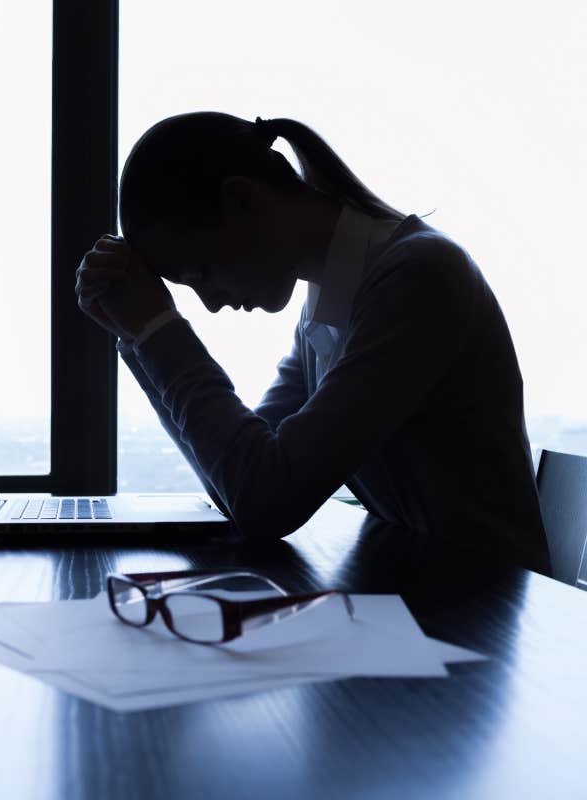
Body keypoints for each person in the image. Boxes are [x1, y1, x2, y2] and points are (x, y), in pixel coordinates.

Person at [75, 111, 551, 575]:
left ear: (243, 201)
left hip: (491, 616)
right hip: (429, 594)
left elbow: (266, 502)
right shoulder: (330, 304)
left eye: (200, 272)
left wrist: (160, 333)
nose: (212, 303)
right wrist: (138, 338)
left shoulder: (419, 277)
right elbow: (238, 486)